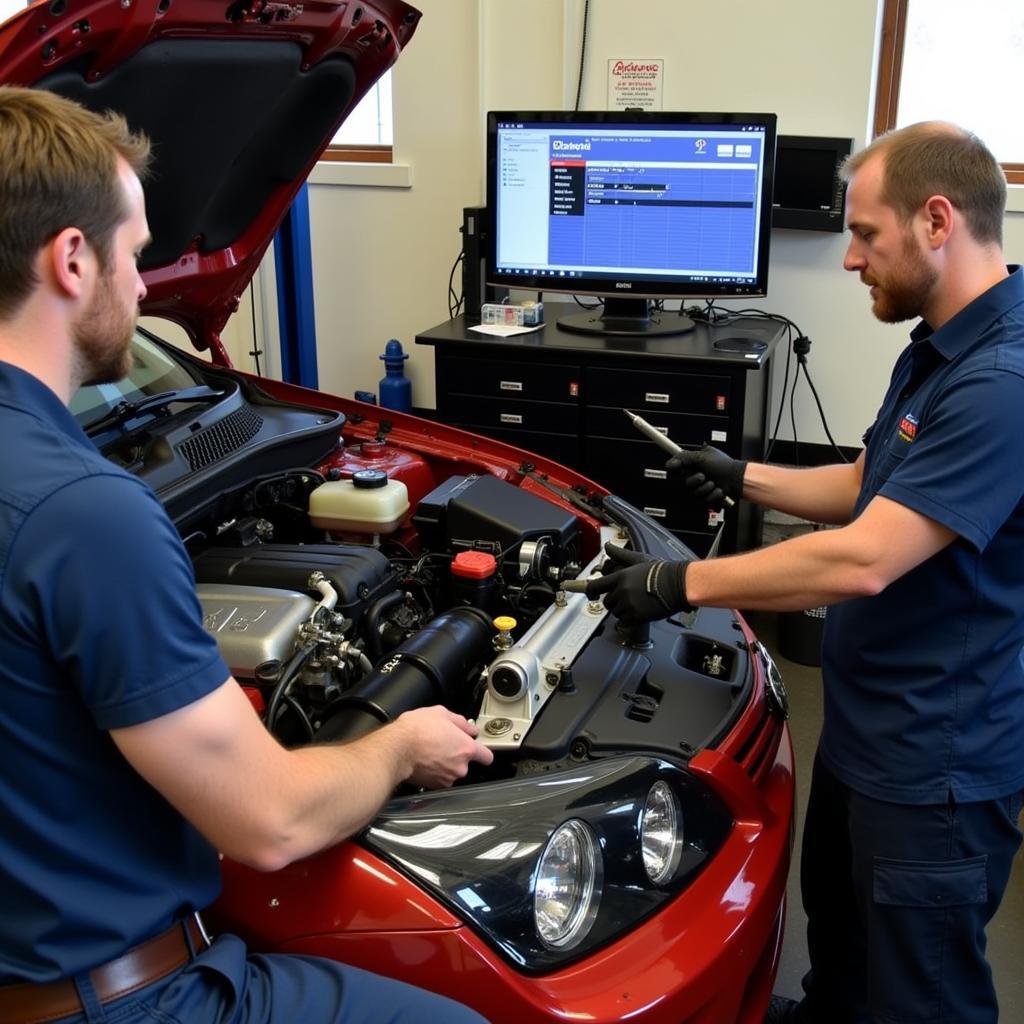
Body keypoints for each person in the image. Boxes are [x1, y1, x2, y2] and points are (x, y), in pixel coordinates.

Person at [0, 86, 493, 1024]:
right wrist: (400, 744)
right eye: (137, 256)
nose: (147, 290)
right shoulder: (84, 515)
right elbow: (272, 823)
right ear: (71, 260)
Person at [587, 122, 1024, 1024]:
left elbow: (865, 558)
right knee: (845, 962)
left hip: (934, 769)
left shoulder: (1002, 382)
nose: (852, 260)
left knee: (920, 997)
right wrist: (740, 473)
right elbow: (869, 484)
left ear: (937, 220)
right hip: (868, 734)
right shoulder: (939, 342)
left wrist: (680, 585)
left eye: (865, 235)